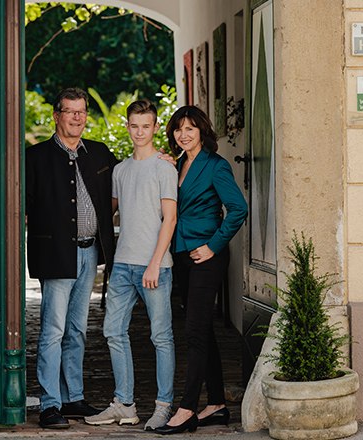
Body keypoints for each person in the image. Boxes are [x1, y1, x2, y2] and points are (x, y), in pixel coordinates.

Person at [26, 87, 118, 429]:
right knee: (52, 329)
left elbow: (117, 190)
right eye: (70, 111)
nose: (77, 117)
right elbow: (23, 207)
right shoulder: (34, 157)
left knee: (78, 329)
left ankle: (73, 398)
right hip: (55, 254)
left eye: (81, 111)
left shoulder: (100, 153)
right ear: (56, 115)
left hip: (90, 251)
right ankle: (50, 404)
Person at [84, 100, 178, 431]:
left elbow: (170, 219)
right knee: (112, 331)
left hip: (155, 267)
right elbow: (105, 211)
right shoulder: (120, 171)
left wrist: (154, 264)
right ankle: (125, 404)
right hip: (122, 265)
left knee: (161, 337)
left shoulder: (165, 168)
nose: (140, 132)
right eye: (134, 125)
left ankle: (163, 406)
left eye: (146, 126)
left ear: (154, 127)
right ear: (128, 127)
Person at [154, 106, 248, 435]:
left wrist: (214, 245)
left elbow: (238, 208)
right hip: (182, 253)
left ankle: (187, 408)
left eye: (191, 128)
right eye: (179, 128)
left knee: (194, 332)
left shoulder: (215, 165)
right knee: (202, 328)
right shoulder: (179, 164)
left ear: (202, 130)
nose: (184, 134)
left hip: (207, 255)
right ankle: (217, 404)